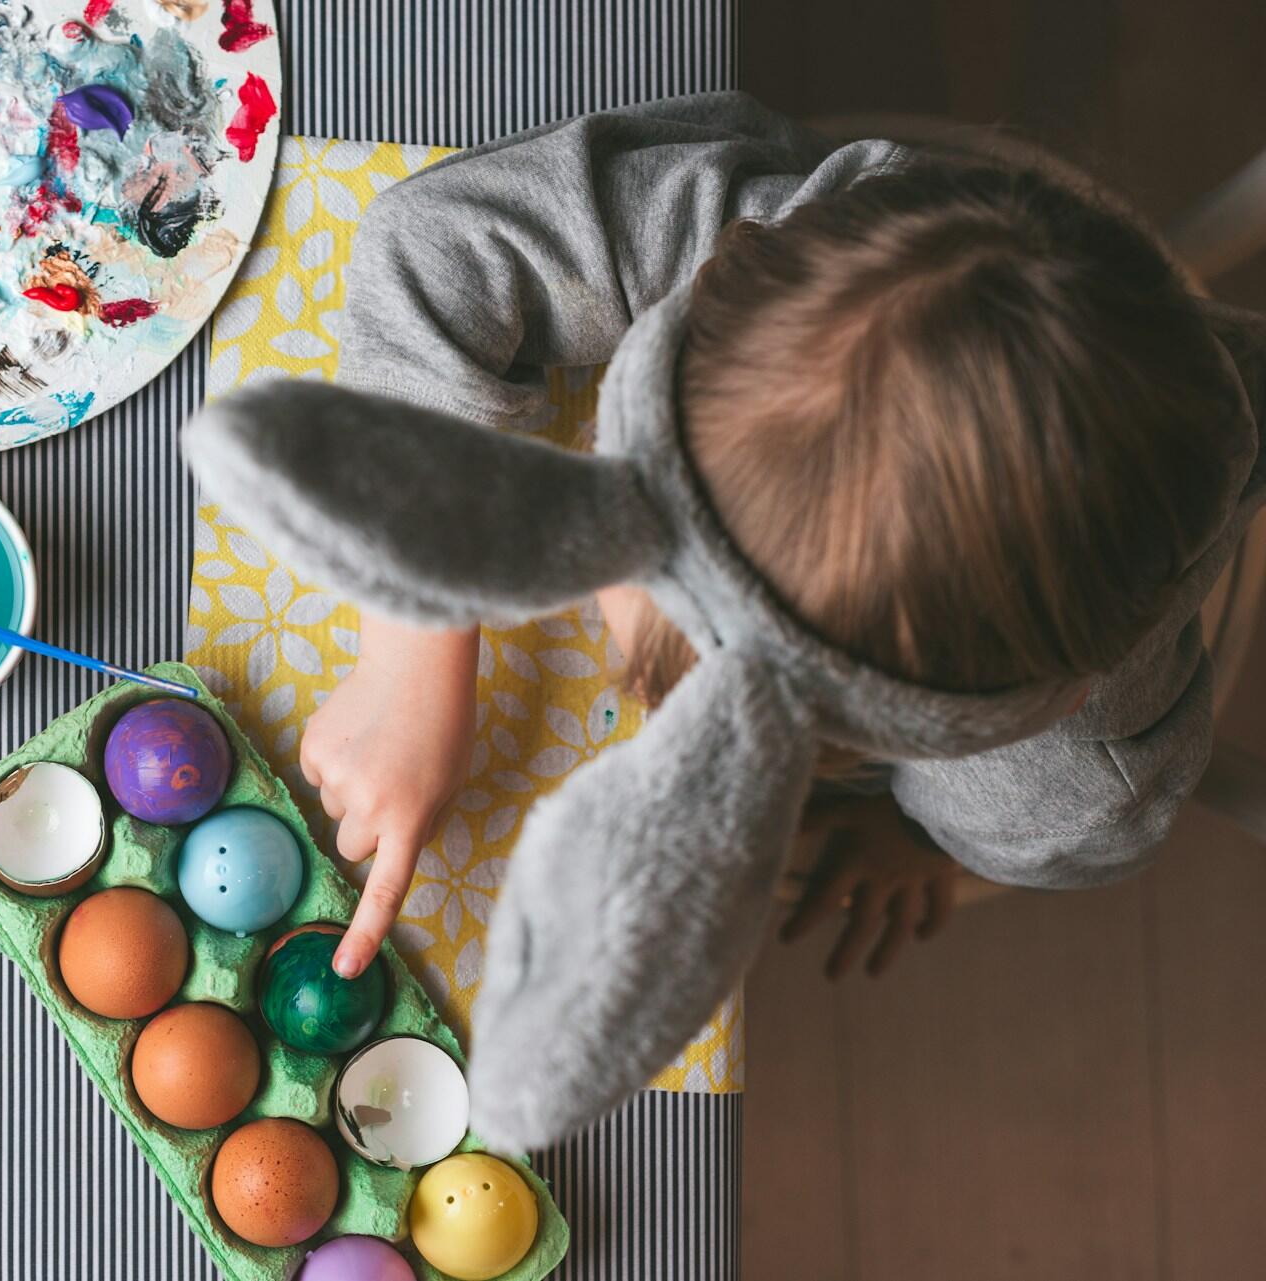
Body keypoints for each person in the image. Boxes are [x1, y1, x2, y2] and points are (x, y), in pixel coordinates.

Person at [183, 92, 1264, 1146]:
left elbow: (1081, 842)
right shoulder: (768, 235)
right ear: (716, 281)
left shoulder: (1059, 764)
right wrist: (410, 659)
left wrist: (929, 849)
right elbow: (435, 241)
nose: (619, 663)